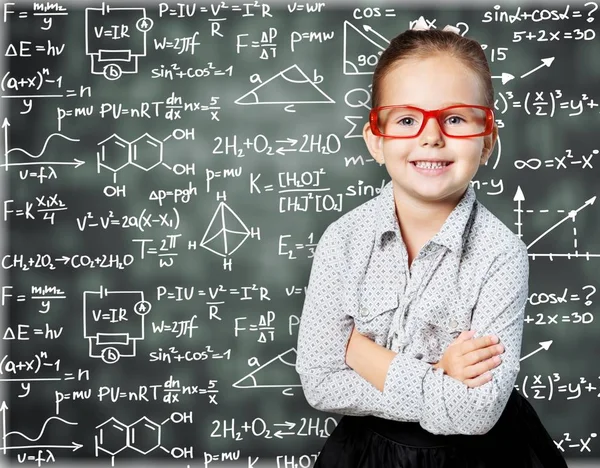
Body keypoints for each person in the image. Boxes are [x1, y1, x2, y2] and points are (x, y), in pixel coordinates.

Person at [295, 16, 569, 468]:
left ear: (486, 141)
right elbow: (321, 382)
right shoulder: (343, 241)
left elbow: (474, 412)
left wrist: (363, 354)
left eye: (456, 118)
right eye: (406, 119)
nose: (431, 135)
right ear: (375, 140)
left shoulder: (500, 254)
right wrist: (437, 375)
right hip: (366, 453)